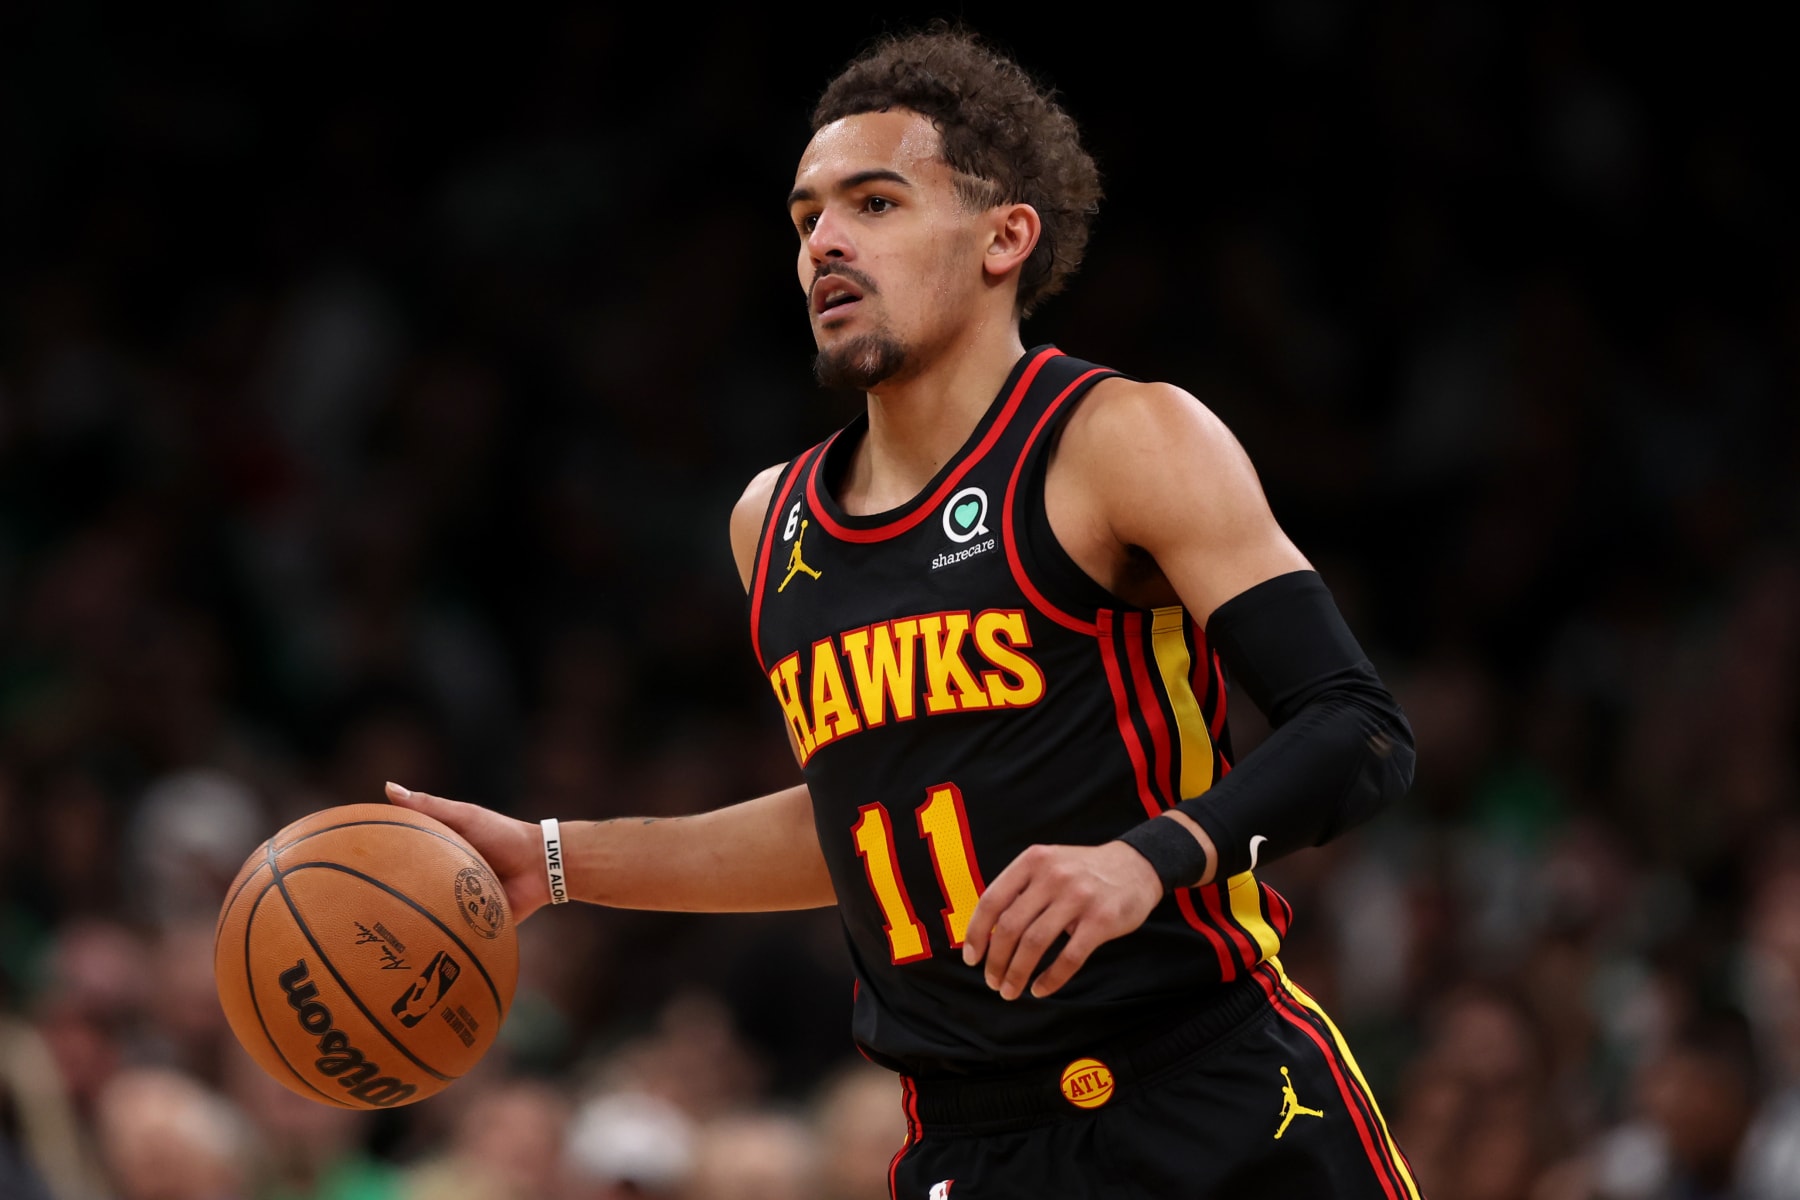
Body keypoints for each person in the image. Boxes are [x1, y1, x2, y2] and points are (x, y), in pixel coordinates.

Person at [388, 26, 1421, 1200]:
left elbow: (1359, 729)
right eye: (806, 218)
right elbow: (854, 822)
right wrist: (555, 860)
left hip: (1210, 1089)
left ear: (1004, 238)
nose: (824, 243)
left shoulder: (1117, 439)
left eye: (874, 203)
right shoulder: (771, 524)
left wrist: (1147, 861)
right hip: (972, 1145)